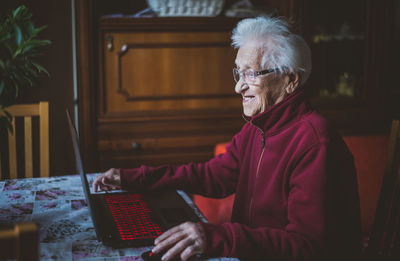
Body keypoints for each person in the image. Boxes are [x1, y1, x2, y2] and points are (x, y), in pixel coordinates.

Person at [93, 16, 361, 261]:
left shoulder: (315, 142)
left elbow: (307, 247)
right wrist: (136, 178)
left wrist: (215, 236)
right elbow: (213, 176)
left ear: (290, 79)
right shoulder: (257, 127)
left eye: (251, 74)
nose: (238, 86)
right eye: (238, 72)